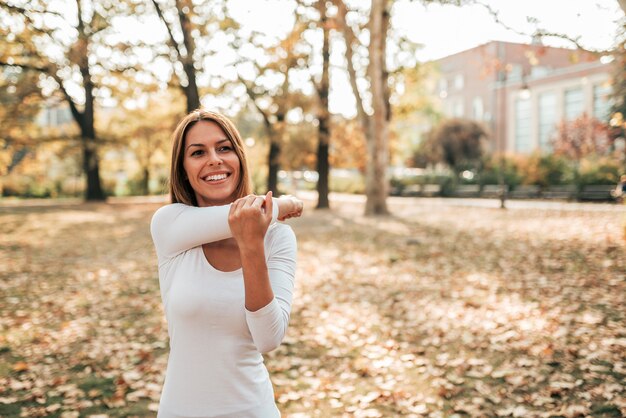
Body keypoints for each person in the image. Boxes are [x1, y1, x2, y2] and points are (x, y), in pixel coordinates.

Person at [150, 109, 303, 418]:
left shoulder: (278, 239)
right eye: (197, 152)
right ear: (183, 169)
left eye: (224, 148)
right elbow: (238, 217)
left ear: (239, 156)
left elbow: (268, 338)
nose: (214, 160)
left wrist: (251, 246)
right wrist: (281, 204)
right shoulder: (170, 225)